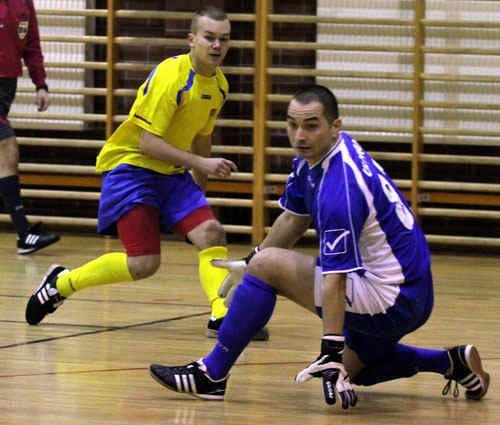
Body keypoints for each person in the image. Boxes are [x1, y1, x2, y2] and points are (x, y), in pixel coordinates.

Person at [149, 84, 490, 408]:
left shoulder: (338, 187)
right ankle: (452, 362)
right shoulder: (318, 156)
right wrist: (251, 260)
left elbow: (335, 278)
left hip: (392, 298)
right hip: (411, 291)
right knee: (361, 370)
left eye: (311, 126)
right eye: (293, 125)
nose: (300, 136)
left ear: (334, 126)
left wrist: (330, 350)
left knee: (271, 269)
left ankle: (212, 374)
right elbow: (292, 219)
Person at [24, 5, 268, 340]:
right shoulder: (172, 77)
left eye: (224, 40)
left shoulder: (220, 85)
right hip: (132, 169)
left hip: (172, 174)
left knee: (211, 232)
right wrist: (200, 164)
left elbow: (202, 138)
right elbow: (148, 143)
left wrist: (199, 189)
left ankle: (221, 314)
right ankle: (61, 283)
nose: (217, 46)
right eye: (209, 38)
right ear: (191, 39)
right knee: (143, 264)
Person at [0, 0, 59, 254]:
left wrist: (41, 83)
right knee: (7, 147)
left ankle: (24, 234)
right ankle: (24, 233)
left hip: (5, 88)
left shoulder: (24, 3)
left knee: (5, 156)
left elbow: (31, 43)